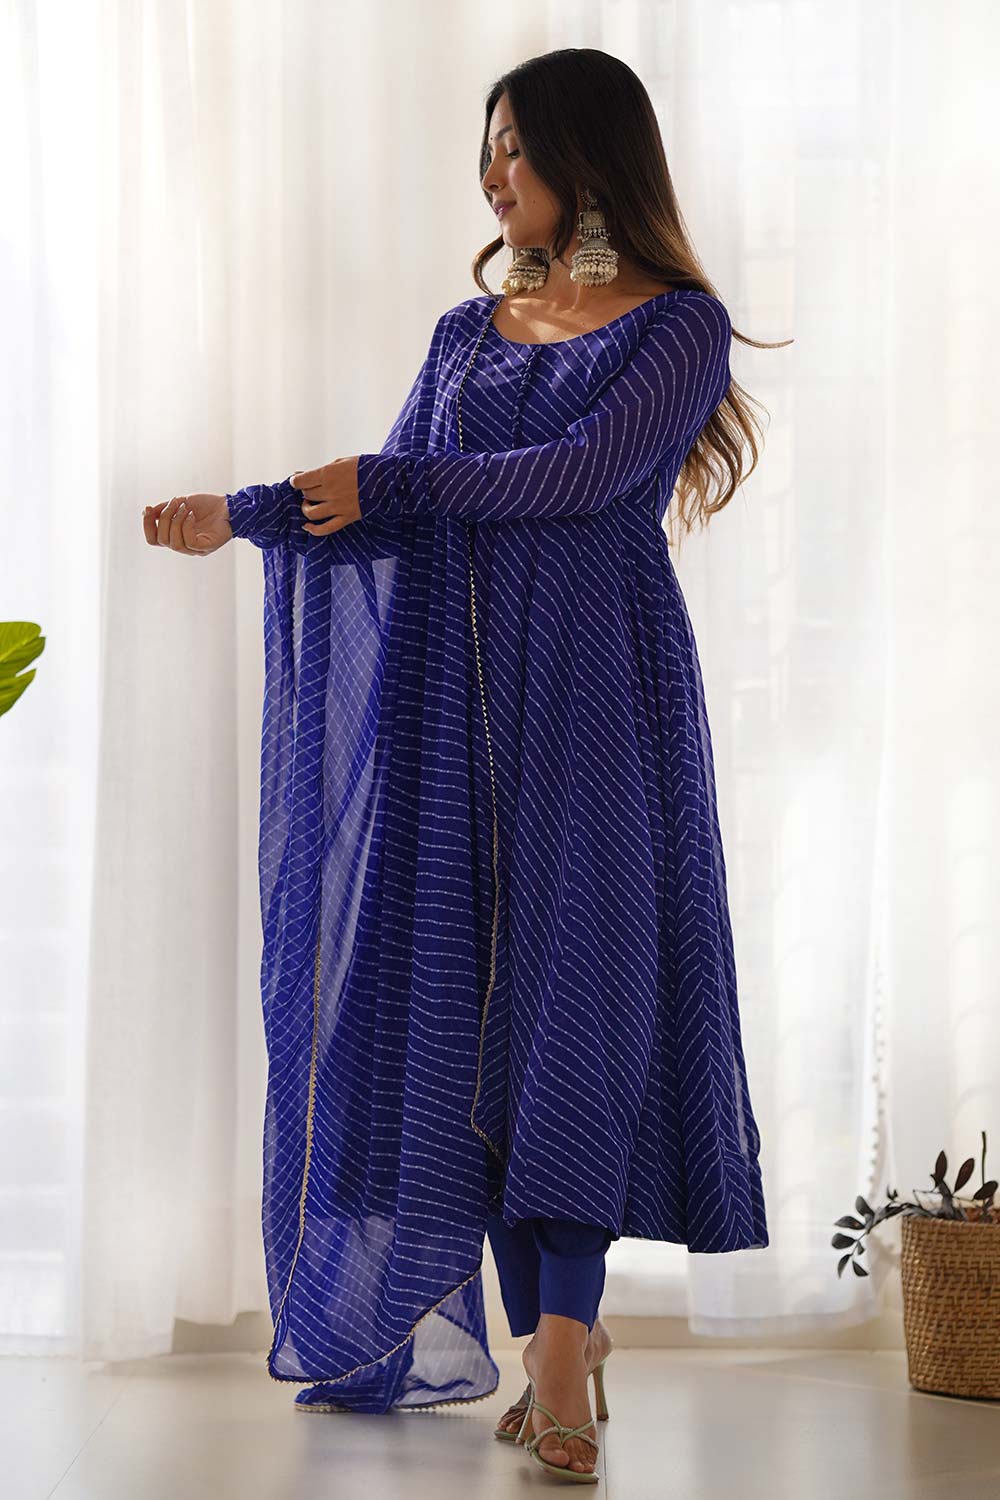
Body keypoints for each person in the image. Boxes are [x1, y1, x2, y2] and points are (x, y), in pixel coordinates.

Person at [143, 47, 781, 1484]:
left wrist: (397, 482)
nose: (492, 175)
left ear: (588, 153)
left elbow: (582, 477)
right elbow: (382, 500)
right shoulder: (464, 333)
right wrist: (243, 512)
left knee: (576, 1012)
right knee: (466, 1025)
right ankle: (563, 1333)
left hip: (599, 707)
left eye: (513, 146)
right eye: (485, 151)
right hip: (453, 720)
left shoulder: (679, 327)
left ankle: (556, 1353)